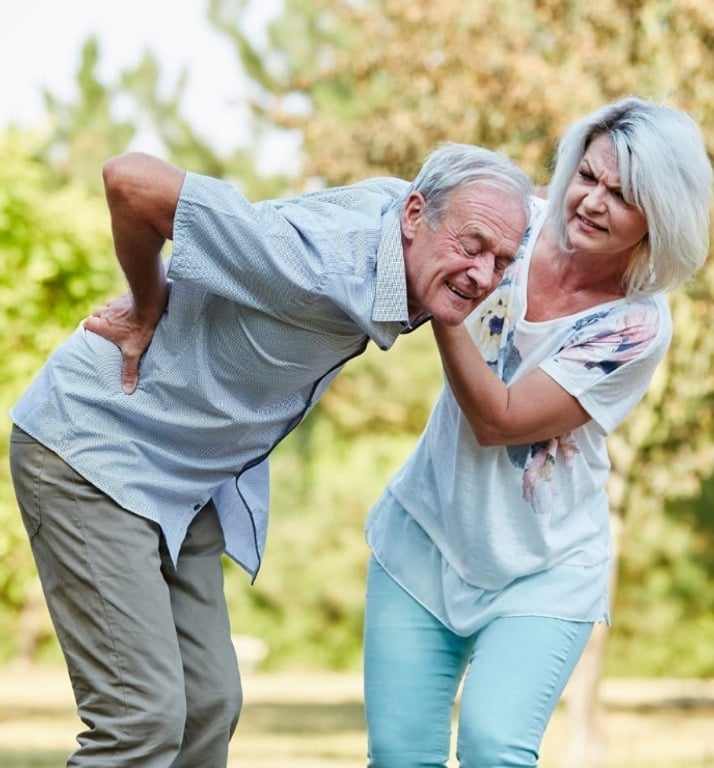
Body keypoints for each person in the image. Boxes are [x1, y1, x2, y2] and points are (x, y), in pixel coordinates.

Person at [8, 142, 532, 768]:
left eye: (503, 259)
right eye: (472, 246)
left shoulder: (419, 228)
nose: (484, 275)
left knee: (208, 708)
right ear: (415, 215)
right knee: (140, 719)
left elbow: (528, 218)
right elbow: (130, 180)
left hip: (184, 477)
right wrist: (146, 303)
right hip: (95, 446)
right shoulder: (314, 262)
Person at [363, 96, 714, 767]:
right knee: (400, 756)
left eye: (623, 194)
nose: (590, 202)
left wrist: (446, 310)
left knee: (496, 748)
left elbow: (500, 419)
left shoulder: (637, 325)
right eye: (588, 176)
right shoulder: (514, 224)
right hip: (424, 535)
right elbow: (399, 211)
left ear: (659, 216)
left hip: (544, 567)